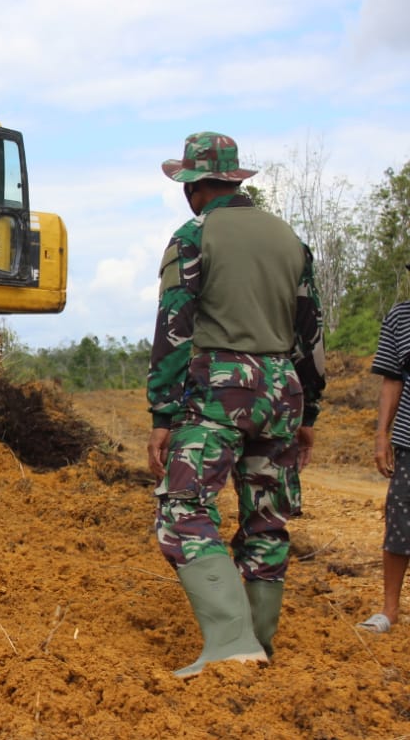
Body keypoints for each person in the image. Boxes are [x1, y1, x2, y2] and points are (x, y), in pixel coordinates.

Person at [146, 131, 326, 678]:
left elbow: (174, 329)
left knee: (182, 511)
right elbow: (311, 330)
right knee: (267, 519)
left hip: (219, 389)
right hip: (282, 389)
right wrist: (309, 409)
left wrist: (162, 414)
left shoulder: (193, 236)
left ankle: (229, 644)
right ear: (235, 179)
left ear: (194, 186)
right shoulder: (289, 238)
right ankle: (258, 646)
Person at [358, 276, 410, 634]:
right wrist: (382, 435)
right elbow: (391, 379)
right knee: (400, 522)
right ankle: (389, 610)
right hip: (409, 438)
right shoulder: (400, 316)